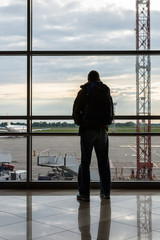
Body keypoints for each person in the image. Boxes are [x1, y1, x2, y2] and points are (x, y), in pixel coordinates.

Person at [72, 70, 113, 202]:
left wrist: (81, 123)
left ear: (88, 79)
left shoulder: (84, 91)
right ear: (99, 78)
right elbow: (111, 111)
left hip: (88, 130)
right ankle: (105, 192)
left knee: (85, 163)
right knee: (103, 163)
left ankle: (84, 194)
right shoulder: (105, 91)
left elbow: (76, 110)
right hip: (102, 130)